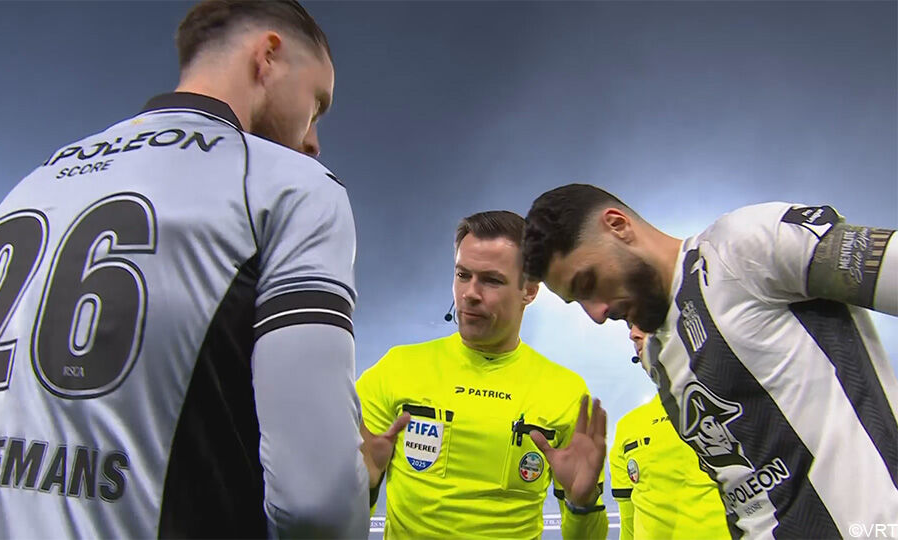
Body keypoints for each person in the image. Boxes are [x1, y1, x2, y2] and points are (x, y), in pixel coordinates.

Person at [0, 1, 369, 537]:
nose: (313, 140)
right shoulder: (292, 185)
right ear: (268, 56)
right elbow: (318, 505)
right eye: (317, 103)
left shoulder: (31, 185)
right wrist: (358, 482)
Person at [522, 184, 898, 537]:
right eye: (577, 301)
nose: (596, 314)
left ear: (618, 226)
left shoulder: (741, 247)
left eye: (588, 283)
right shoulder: (659, 357)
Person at [357, 211, 608, 539]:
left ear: (529, 291)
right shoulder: (396, 369)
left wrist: (582, 504)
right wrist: (364, 487)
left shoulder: (565, 392)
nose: (470, 293)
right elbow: (341, 522)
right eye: (463, 275)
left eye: (491, 280)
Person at [610, 323, 730, 539]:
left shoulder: (733, 407)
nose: (633, 334)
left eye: (642, 322)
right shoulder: (628, 427)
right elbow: (628, 524)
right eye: (629, 325)